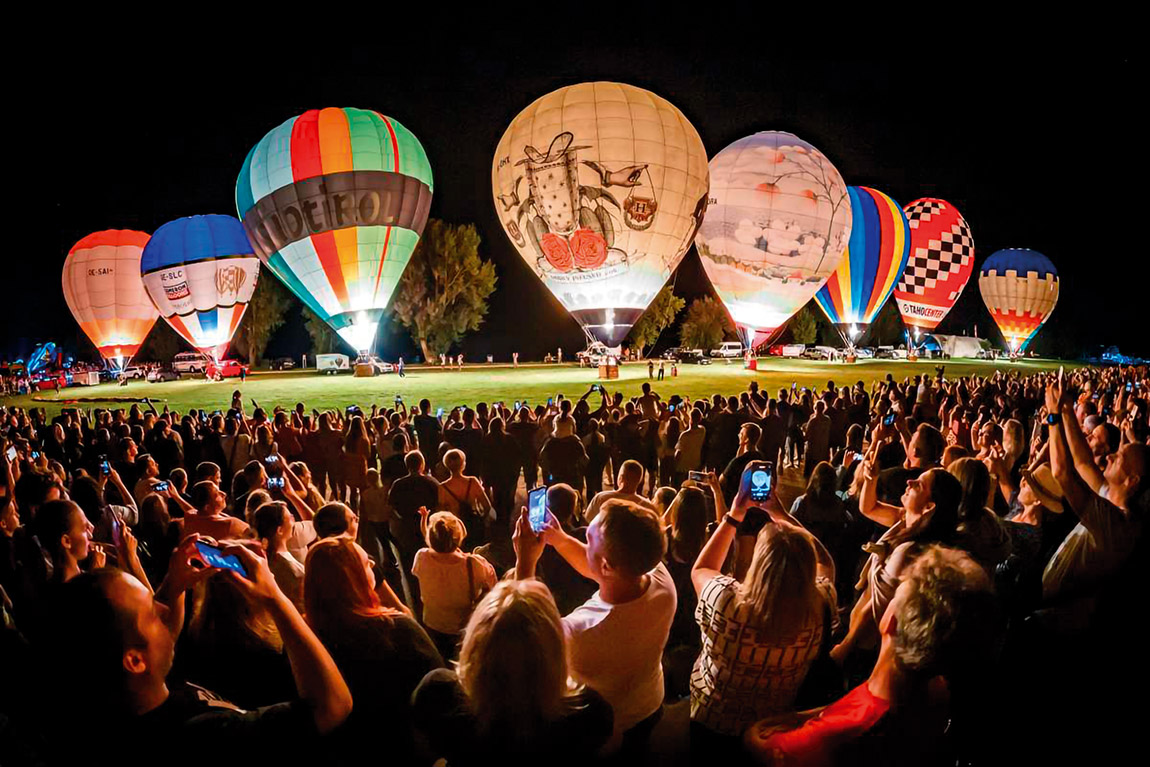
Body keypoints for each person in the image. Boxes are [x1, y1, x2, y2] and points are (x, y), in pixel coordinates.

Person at [40, 538, 352, 764]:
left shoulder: (126, 699)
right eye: (151, 612)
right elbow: (333, 705)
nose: (164, 609)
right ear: (134, 661)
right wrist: (274, 598)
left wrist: (174, 584)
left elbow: (157, 642)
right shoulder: (204, 739)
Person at [745, 546, 1002, 766]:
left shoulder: (829, 739)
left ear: (890, 622)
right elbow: (863, 702)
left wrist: (755, 733)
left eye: (897, 595)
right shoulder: (935, 687)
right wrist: (796, 717)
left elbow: (762, 747)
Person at [689, 461, 837, 752]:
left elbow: (702, 568)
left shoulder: (726, 602)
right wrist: (779, 513)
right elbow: (825, 562)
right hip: (773, 723)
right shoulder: (820, 604)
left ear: (759, 563)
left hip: (714, 721)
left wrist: (735, 514)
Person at [513, 498, 676, 753]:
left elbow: (524, 631)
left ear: (606, 566)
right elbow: (605, 569)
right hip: (649, 705)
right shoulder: (661, 579)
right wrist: (561, 539)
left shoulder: (582, 630)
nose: (584, 542)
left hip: (605, 728)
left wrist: (525, 561)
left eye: (588, 540)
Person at [303, 537, 443, 762]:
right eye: (366, 564)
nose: (373, 565)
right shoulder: (397, 630)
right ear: (353, 579)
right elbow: (437, 685)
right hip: (402, 747)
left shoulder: (305, 637)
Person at [413, 511, 497, 660]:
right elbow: (493, 585)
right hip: (462, 626)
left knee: (441, 658)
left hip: (433, 623)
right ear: (460, 536)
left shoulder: (421, 557)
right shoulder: (474, 564)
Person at [254, 502, 305, 610]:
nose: (294, 521)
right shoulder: (292, 571)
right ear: (280, 530)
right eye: (290, 518)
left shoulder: (260, 558)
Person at [585, 459, 659, 522]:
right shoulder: (647, 507)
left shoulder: (601, 498)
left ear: (620, 478)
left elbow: (588, 522)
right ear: (639, 480)